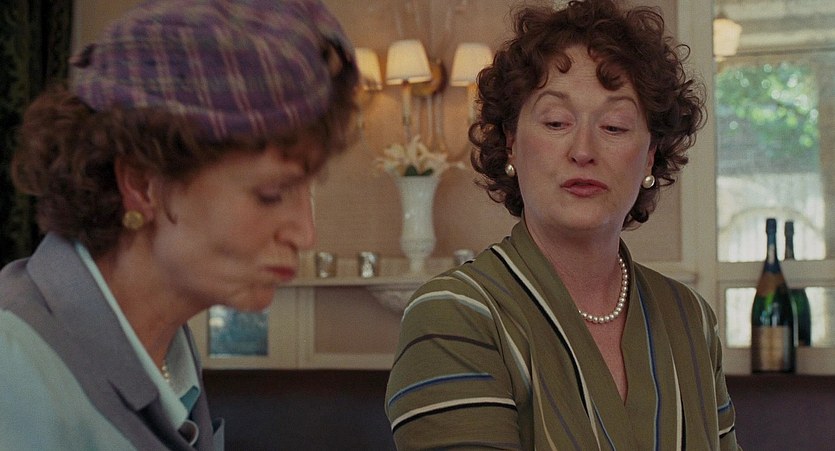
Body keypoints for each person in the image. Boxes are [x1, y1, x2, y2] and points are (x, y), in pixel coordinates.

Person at [0, 0, 358, 449]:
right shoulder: (13, 368)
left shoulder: (167, 348)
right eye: (270, 194)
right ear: (142, 184)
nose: (305, 234)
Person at [385, 0, 740, 449]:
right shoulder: (454, 314)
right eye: (556, 122)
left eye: (614, 126)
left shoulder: (691, 320)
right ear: (511, 145)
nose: (583, 150)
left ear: (650, 156)